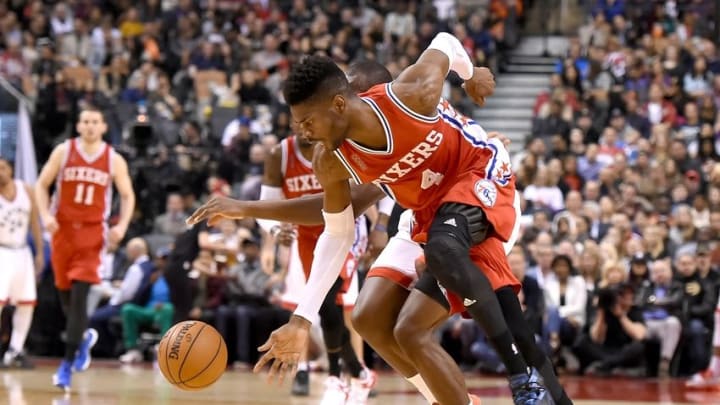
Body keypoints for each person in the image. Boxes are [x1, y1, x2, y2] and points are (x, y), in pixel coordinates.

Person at [188, 49, 565, 404]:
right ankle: (452, 399)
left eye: (307, 121)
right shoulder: (338, 154)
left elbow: (445, 45)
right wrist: (300, 318)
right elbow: (338, 220)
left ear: (348, 101)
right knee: (370, 318)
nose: (302, 133)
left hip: (477, 183)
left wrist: (471, 76)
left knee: (425, 309)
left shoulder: (408, 100)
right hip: (427, 214)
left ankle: (522, 376)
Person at [257, 128, 374, 402]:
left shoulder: (340, 145)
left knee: (331, 301)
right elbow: (266, 205)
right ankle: (359, 373)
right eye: (297, 118)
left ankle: (336, 378)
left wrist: (379, 223)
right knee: (322, 307)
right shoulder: (280, 154)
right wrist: (274, 233)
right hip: (306, 238)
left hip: (345, 230)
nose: (304, 126)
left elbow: (374, 185)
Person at [35, 106, 135, 392]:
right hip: (62, 232)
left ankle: (65, 366)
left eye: (95, 122)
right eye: (85, 121)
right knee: (67, 300)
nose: (90, 126)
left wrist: (121, 227)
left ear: (103, 127)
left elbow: (128, 195)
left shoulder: (113, 159)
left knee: (79, 298)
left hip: (92, 234)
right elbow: (42, 186)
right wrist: (46, 216)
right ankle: (84, 337)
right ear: (78, 126)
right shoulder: (63, 152)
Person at [0, 157, 44, 369]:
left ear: (11, 170)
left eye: (3, 168)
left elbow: (35, 223)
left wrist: (40, 253)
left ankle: (15, 350)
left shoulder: (26, 190)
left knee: (26, 303)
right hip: (1, 251)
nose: (0, 172)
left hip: (22, 252)